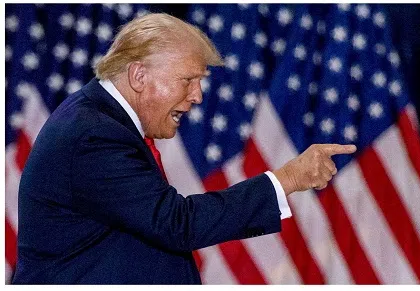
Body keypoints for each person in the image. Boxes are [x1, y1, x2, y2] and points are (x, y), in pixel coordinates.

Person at [13, 13, 356, 284]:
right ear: (139, 76)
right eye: (188, 80)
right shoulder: (94, 135)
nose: (197, 96)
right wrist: (288, 178)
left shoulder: (102, 121)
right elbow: (177, 224)